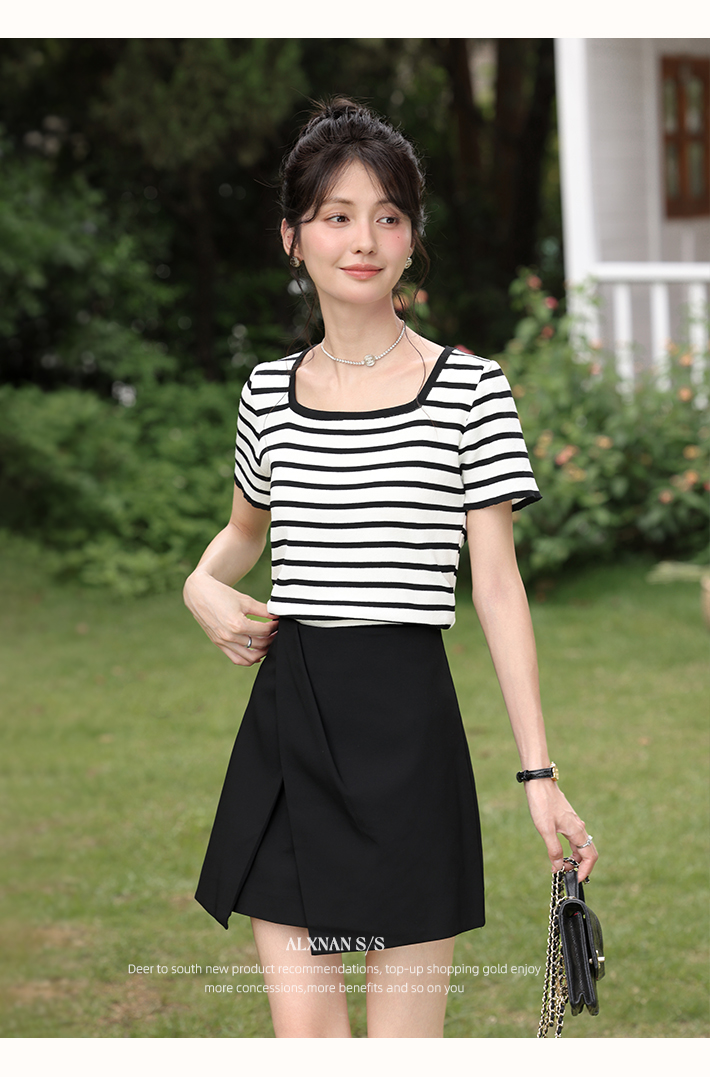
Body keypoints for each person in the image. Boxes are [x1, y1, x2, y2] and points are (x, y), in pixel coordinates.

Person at [183, 98, 598, 1039]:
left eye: (389, 215)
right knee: (307, 1042)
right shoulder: (266, 392)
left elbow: (497, 587)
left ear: (412, 238)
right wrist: (198, 582)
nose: (363, 239)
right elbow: (243, 533)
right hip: (289, 726)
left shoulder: (471, 388)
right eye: (336, 215)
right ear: (293, 238)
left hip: (409, 731)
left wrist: (539, 773)